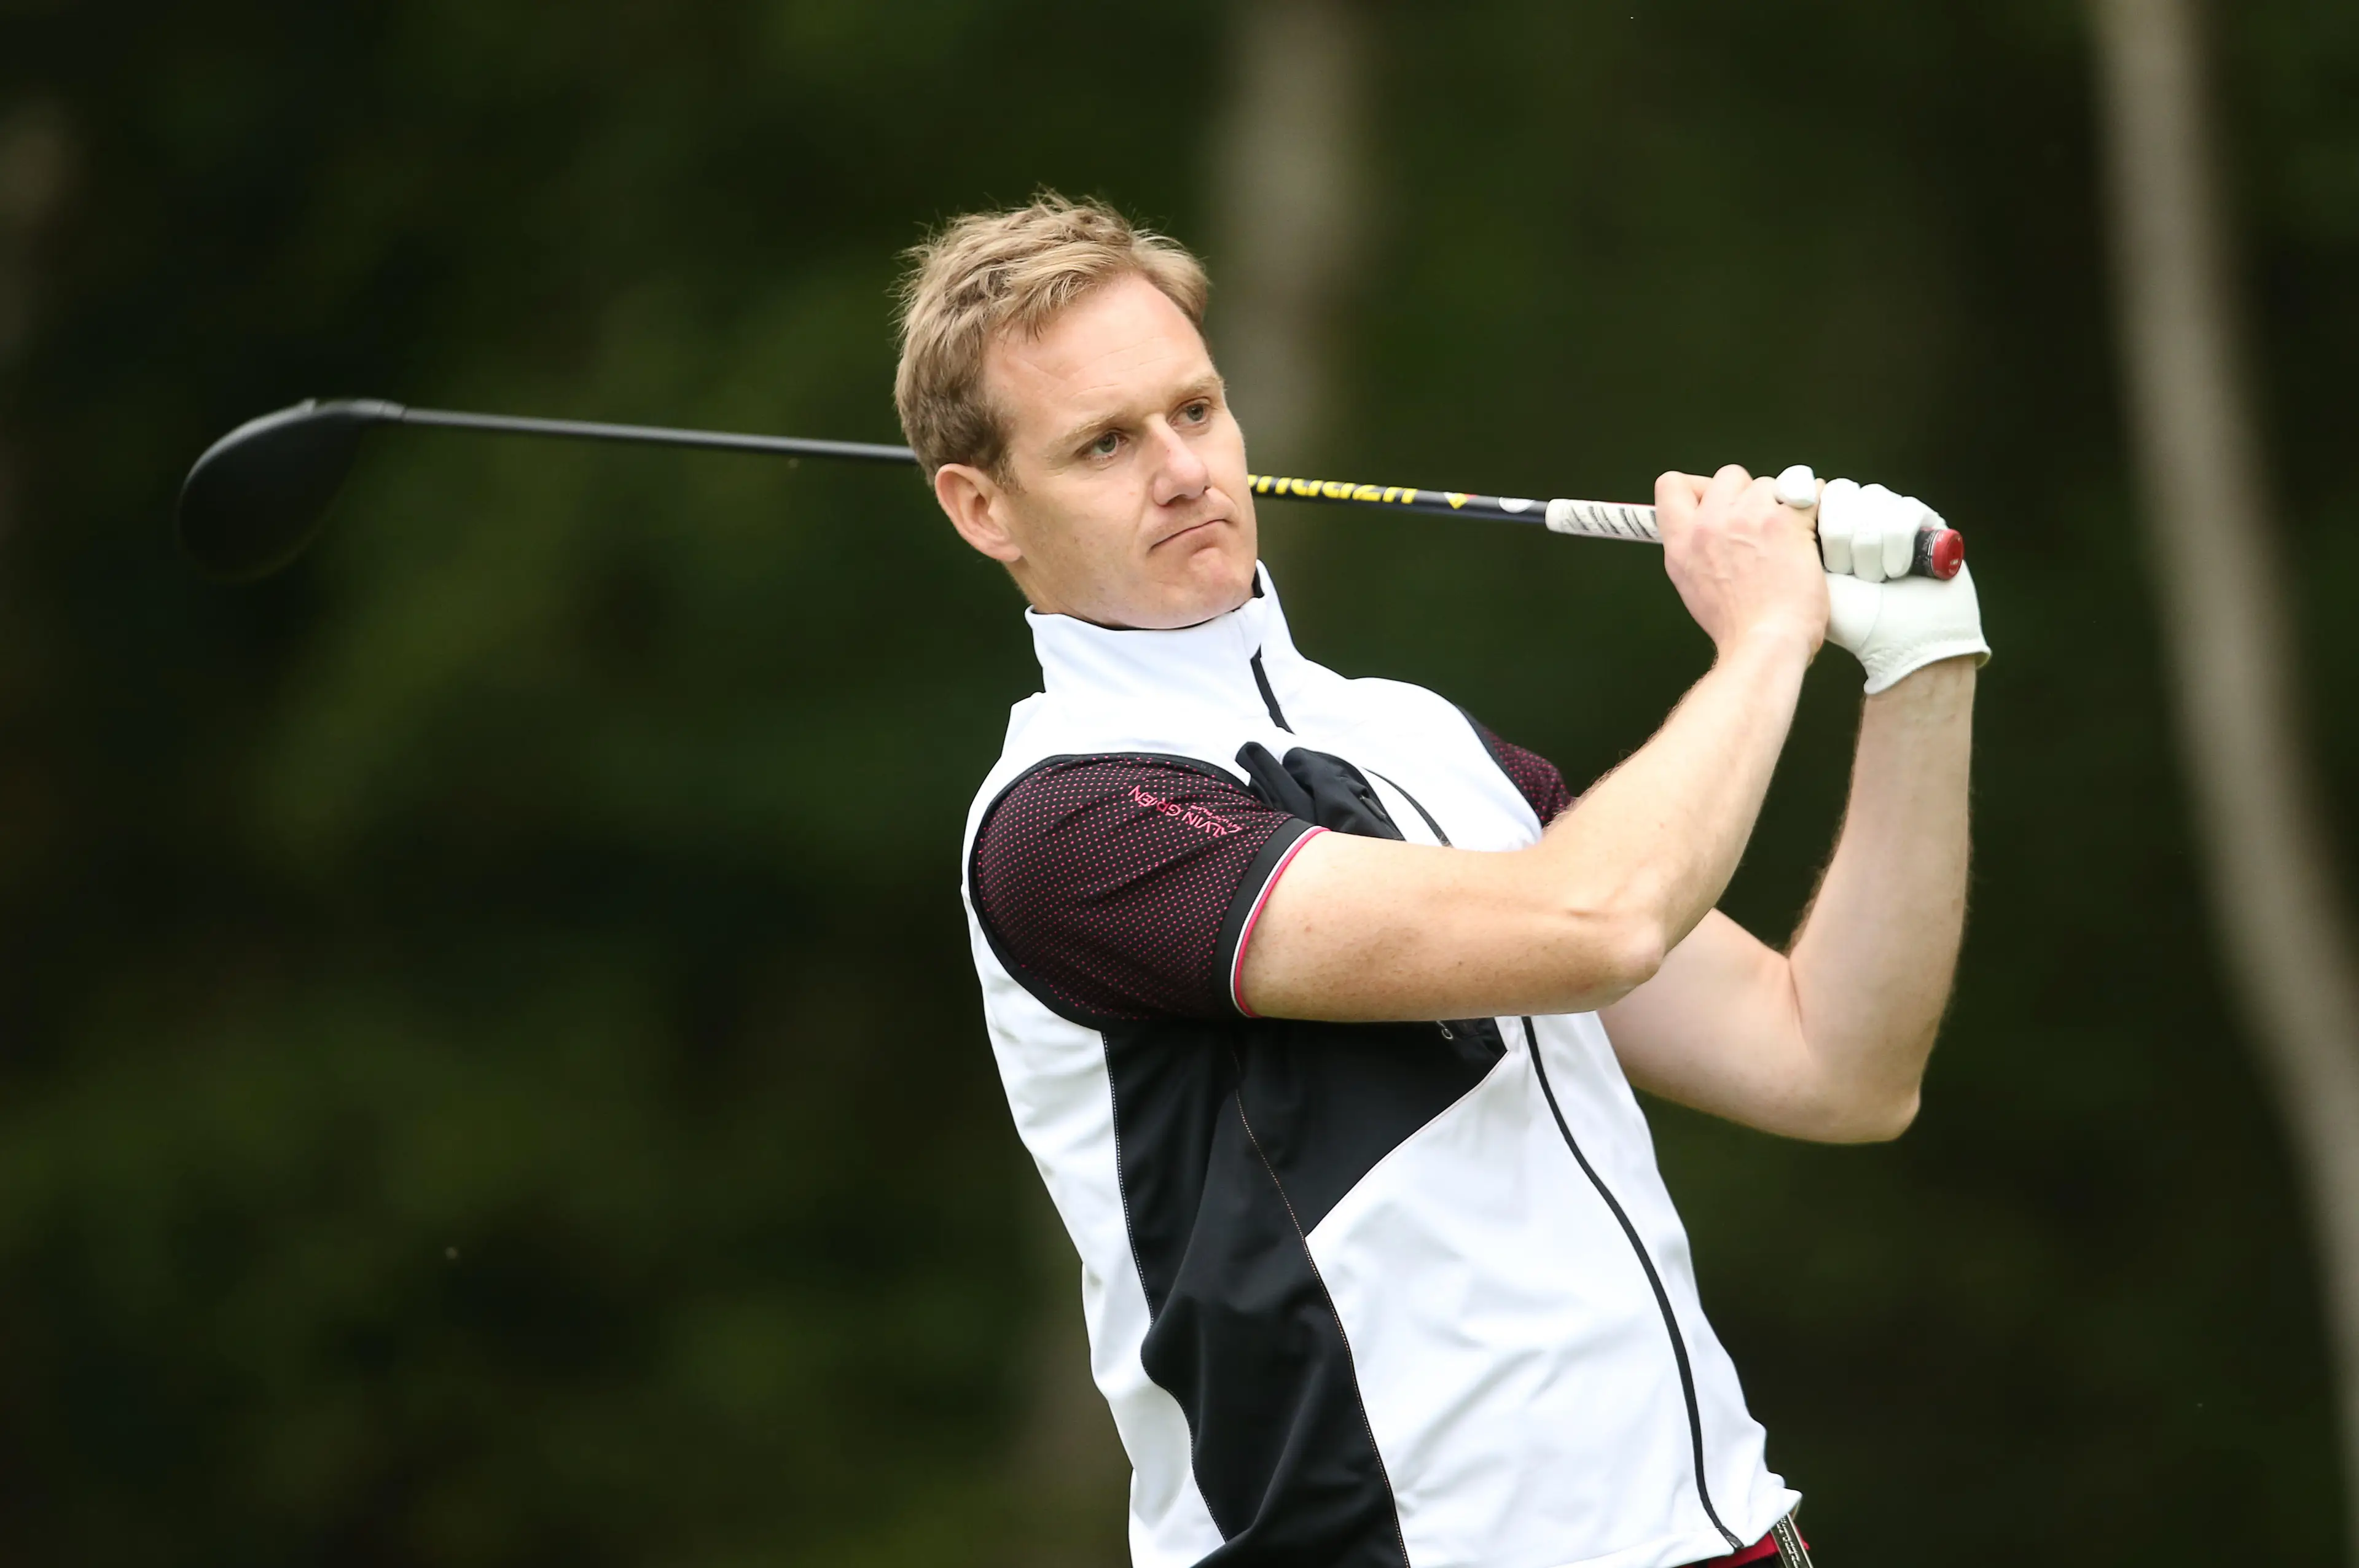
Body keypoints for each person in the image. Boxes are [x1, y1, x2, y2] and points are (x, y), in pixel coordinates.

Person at [899, 193, 1986, 1568]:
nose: (1181, 469)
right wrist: (1767, 638)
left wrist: (1920, 669)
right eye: (1106, 442)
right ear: (981, 505)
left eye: (1195, 410)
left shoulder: (1417, 735)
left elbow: (1834, 1061)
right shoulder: (1069, 822)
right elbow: (1597, 923)